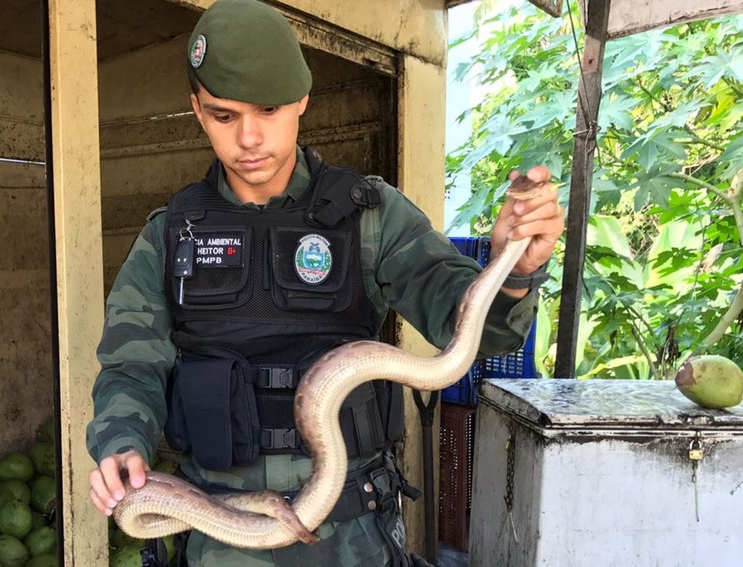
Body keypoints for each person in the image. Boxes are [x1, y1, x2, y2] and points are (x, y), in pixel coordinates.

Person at [86, 0, 565, 565]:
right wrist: (121, 442)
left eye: (268, 110)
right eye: (224, 115)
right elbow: (130, 367)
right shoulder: (171, 234)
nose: (249, 138)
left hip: (353, 530)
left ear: (302, 101)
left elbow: (474, 330)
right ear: (196, 108)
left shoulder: (370, 215)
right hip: (221, 535)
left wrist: (515, 270)